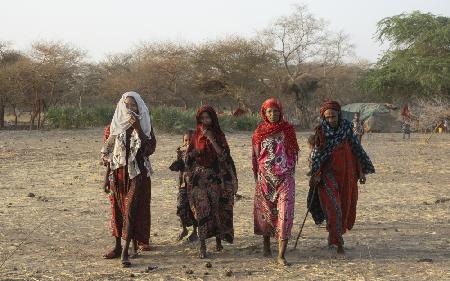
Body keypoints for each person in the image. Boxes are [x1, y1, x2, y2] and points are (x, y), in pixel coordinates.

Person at [308, 100, 374, 257]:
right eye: (328, 117)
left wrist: (361, 172)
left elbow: (357, 151)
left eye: (334, 116)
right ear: (324, 117)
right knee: (333, 207)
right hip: (327, 175)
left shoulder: (347, 129)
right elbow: (316, 156)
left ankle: (333, 236)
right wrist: (315, 174)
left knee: (344, 207)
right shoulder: (321, 132)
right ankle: (338, 243)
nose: (331, 120)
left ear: (339, 115)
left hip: (347, 174)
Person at [101, 91, 156, 267]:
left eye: (134, 105)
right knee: (117, 210)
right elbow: (109, 154)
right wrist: (105, 179)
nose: (130, 108)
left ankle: (126, 251)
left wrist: (139, 128)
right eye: (127, 105)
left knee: (131, 209)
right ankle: (118, 246)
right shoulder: (114, 126)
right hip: (117, 175)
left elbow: (149, 149)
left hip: (137, 174)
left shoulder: (145, 125)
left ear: (139, 107)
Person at [185, 105, 238, 259]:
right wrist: (192, 154)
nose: (205, 121)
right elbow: (189, 157)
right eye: (202, 118)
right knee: (202, 210)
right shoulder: (195, 135)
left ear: (213, 119)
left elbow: (223, 156)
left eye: (207, 118)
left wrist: (211, 139)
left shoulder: (219, 135)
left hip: (216, 178)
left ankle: (218, 240)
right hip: (199, 178)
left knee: (216, 209)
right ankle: (202, 246)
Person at [252, 98, 299, 266]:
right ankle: (266, 245)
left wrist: (289, 171)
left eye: (276, 111)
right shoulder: (259, 132)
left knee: (285, 214)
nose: (273, 114)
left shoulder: (288, 130)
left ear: (281, 112)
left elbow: (294, 152)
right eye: (269, 111)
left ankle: (281, 255)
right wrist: (257, 176)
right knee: (267, 213)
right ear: (264, 113)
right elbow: (255, 157)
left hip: (285, 179)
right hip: (265, 178)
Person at [169, 130, 198, 242]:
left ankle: (195, 232)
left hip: (195, 186)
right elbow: (176, 168)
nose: (188, 142)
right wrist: (178, 158)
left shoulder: (198, 153)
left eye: (190, 140)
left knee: (194, 209)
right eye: (186, 140)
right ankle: (184, 229)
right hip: (183, 185)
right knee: (181, 207)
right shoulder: (182, 153)